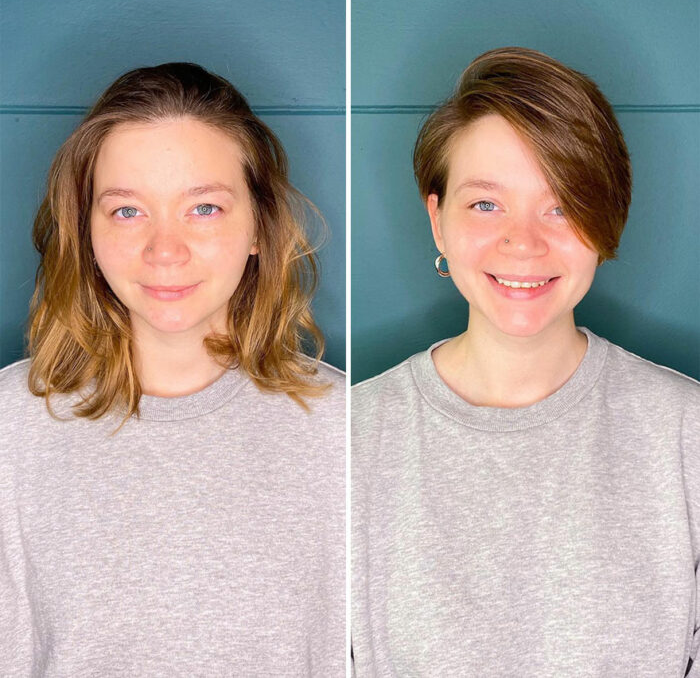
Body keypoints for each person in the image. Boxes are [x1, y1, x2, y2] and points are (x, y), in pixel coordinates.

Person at [351, 47, 699, 676]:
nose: (524, 241)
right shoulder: (348, 439)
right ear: (437, 221)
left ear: (605, 219)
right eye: (486, 204)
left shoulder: (686, 434)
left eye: (561, 204)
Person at [0, 63, 345, 675]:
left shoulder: (346, 429)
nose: (166, 250)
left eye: (204, 208)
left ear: (259, 227)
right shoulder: (10, 428)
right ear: (85, 230)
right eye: (128, 211)